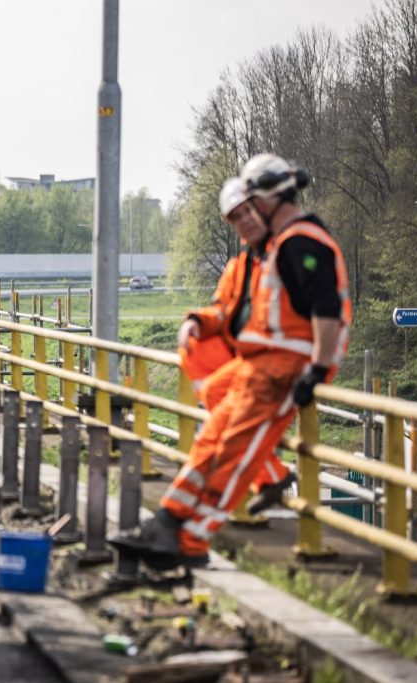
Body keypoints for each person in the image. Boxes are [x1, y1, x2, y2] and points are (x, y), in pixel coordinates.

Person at [110, 153, 351, 570]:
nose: (247, 216)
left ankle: (189, 541)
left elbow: (326, 309)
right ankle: (168, 519)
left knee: (234, 457)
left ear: (270, 199)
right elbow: (237, 311)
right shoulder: (274, 249)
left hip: (282, 369)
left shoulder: (300, 243)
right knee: (212, 442)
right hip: (260, 365)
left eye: (251, 205)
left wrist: (314, 370)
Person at [177, 177, 293, 516]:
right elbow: (221, 310)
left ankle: (268, 472)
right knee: (193, 348)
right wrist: (197, 320)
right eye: (236, 216)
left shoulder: (283, 257)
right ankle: (267, 469)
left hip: (275, 367)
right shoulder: (239, 266)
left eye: (248, 211)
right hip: (246, 362)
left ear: (263, 209)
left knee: (215, 396)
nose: (244, 220)